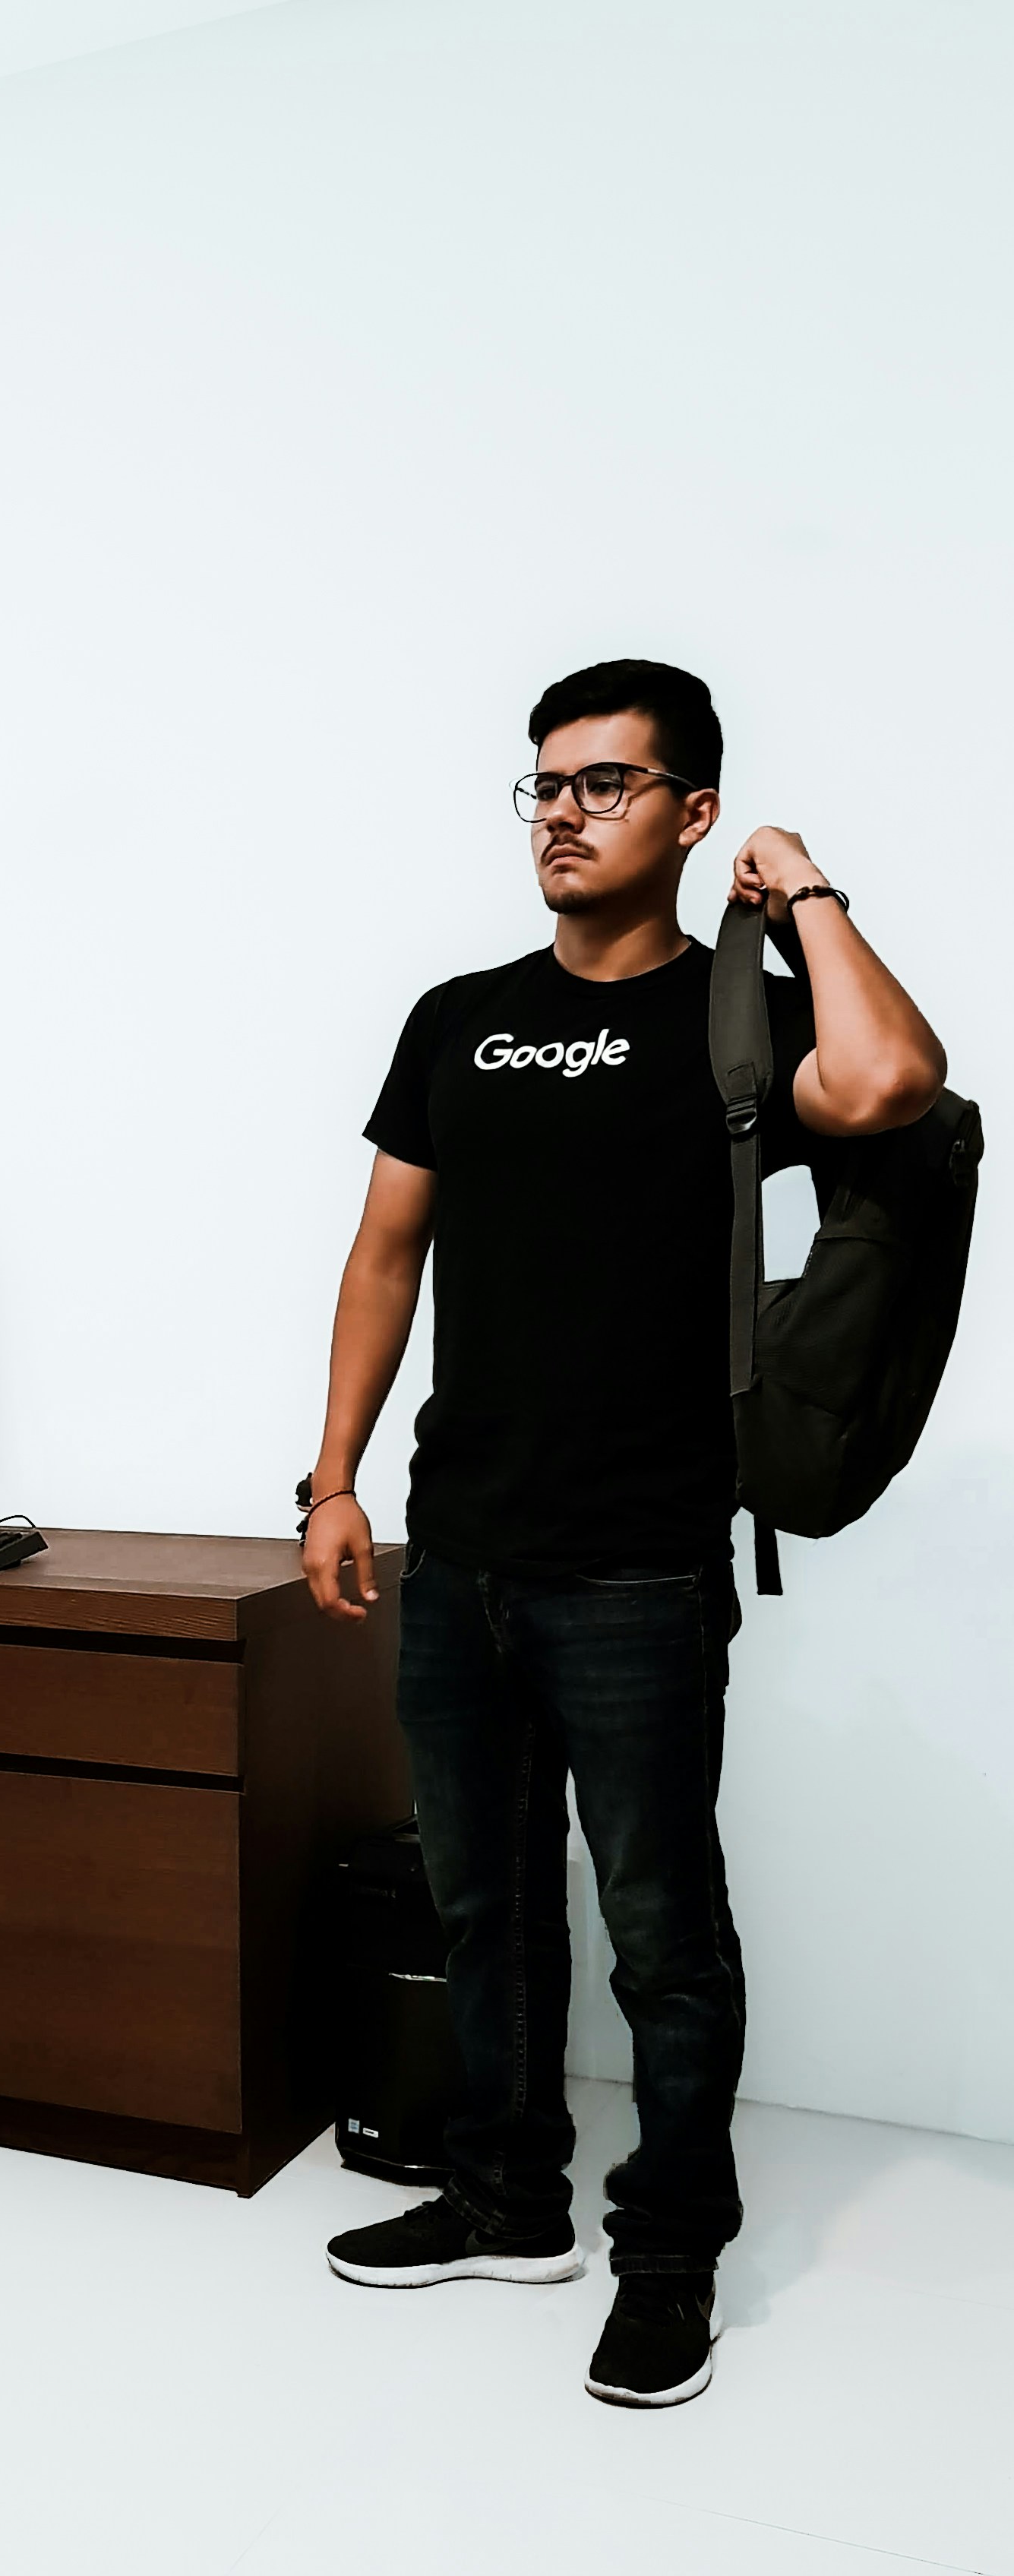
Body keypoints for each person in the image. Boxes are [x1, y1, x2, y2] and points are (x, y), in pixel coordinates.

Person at [300, 659, 945, 2406]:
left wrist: (802, 887)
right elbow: (385, 1255)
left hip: (642, 1567)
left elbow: (896, 1082)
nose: (565, 814)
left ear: (692, 811)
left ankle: (668, 2259)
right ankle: (508, 2201)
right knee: (486, 1908)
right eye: (546, 784)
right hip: (463, 1552)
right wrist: (334, 1477)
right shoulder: (458, 1019)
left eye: (607, 783)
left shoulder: (738, 1027)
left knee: (664, 1935)